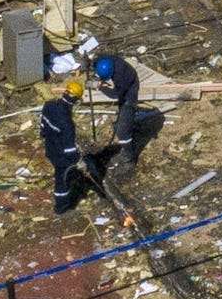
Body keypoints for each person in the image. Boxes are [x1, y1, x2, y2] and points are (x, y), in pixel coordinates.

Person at [89, 45, 161, 182]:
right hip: (124, 79)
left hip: (129, 93)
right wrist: (95, 75)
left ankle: (129, 157)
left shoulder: (122, 78)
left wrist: (100, 87)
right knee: (121, 121)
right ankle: (129, 129)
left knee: (122, 130)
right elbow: (96, 64)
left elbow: (115, 94)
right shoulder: (106, 60)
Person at [37, 77, 93, 213]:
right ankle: (61, 207)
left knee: (63, 172)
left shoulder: (49, 105)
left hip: (50, 147)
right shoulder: (67, 123)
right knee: (62, 179)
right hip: (60, 155)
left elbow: (43, 127)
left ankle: (72, 181)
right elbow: (69, 150)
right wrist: (78, 160)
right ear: (75, 100)